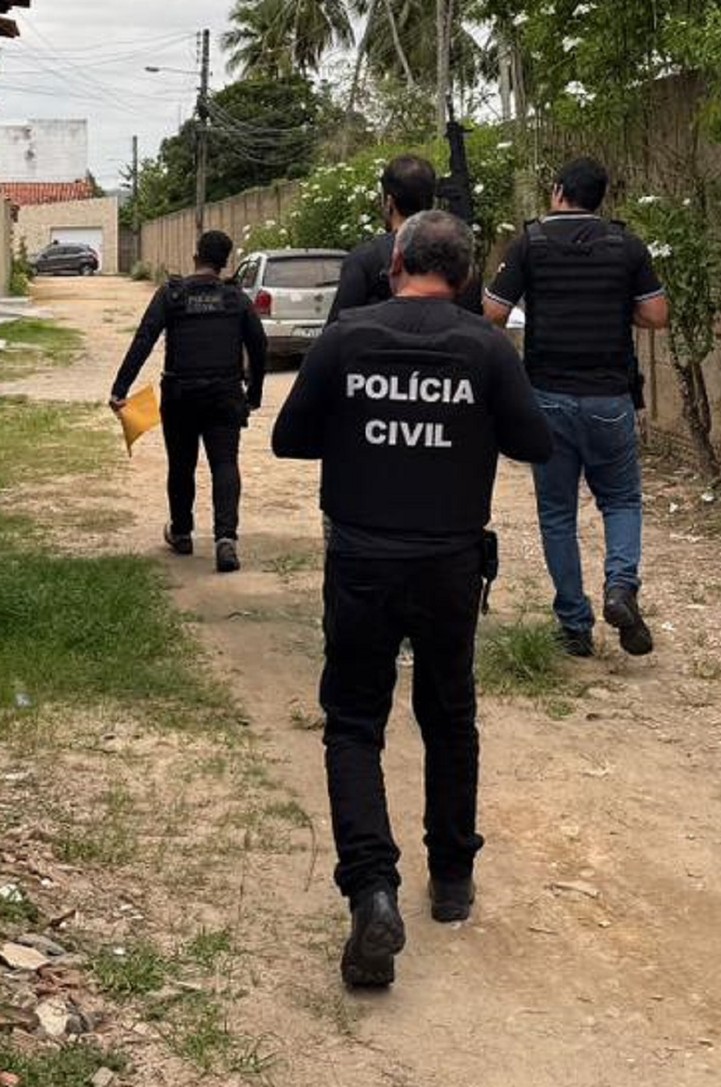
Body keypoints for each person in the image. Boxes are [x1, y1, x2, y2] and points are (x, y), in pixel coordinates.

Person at [272, 210, 552, 988]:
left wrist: (363, 426)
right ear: (463, 276)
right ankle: (452, 878)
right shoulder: (485, 348)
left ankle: (372, 889)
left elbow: (290, 437)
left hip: (361, 558)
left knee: (354, 724)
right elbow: (535, 442)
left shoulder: (347, 337)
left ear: (395, 262)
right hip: (449, 563)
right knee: (449, 715)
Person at [484, 157, 669, 658]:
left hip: (547, 397)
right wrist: (616, 307)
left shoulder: (530, 243)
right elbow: (656, 313)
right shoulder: (626, 245)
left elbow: (494, 313)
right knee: (621, 500)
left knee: (557, 513)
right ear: (600, 198)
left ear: (559, 190)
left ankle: (574, 624)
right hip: (610, 397)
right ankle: (620, 586)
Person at [109, 230, 267, 573]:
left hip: (180, 394)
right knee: (225, 463)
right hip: (225, 394)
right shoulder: (236, 298)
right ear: (225, 262)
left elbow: (144, 338)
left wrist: (120, 389)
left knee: (181, 464)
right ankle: (226, 539)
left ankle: (181, 532)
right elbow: (259, 345)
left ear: (196, 256)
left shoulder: (172, 294)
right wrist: (254, 394)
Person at [325, 154, 482, 323]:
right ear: (433, 203)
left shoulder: (363, 259)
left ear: (389, 202)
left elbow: (336, 328)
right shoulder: (459, 257)